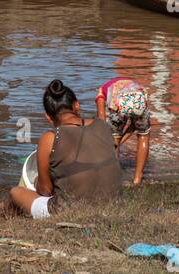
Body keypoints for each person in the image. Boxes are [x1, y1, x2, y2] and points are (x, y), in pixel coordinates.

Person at [9, 79, 121, 219]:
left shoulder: (50, 138)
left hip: (69, 213)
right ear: (77, 105)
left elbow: (45, 191)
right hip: (113, 206)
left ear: (48, 117)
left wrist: (37, 181)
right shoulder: (103, 126)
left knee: (16, 192)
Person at [95, 78, 151, 185]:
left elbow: (101, 120)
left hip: (117, 100)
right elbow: (134, 126)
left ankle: (113, 178)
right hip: (139, 97)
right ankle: (137, 178)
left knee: (114, 136)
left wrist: (110, 143)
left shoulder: (100, 92)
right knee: (144, 134)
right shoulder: (133, 84)